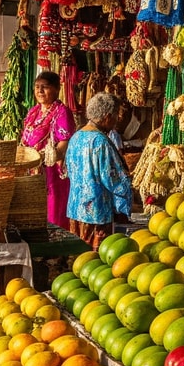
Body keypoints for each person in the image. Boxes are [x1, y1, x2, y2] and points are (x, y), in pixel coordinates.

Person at [65, 93, 134, 249]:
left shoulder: (76, 137)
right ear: (108, 116)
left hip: (76, 210)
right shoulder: (100, 141)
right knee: (95, 262)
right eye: (116, 116)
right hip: (97, 213)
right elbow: (114, 180)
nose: (117, 121)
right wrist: (128, 197)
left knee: (79, 258)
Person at [22, 71, 75, 232]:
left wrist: (49, 156)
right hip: (32, 168)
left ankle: (57, 249)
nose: (40, 91)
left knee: (53, 209)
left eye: (45, 87)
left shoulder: (62, 112)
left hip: (51, 169)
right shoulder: (33, 112)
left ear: (57, 89)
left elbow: (65, 140)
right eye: (37, 87)